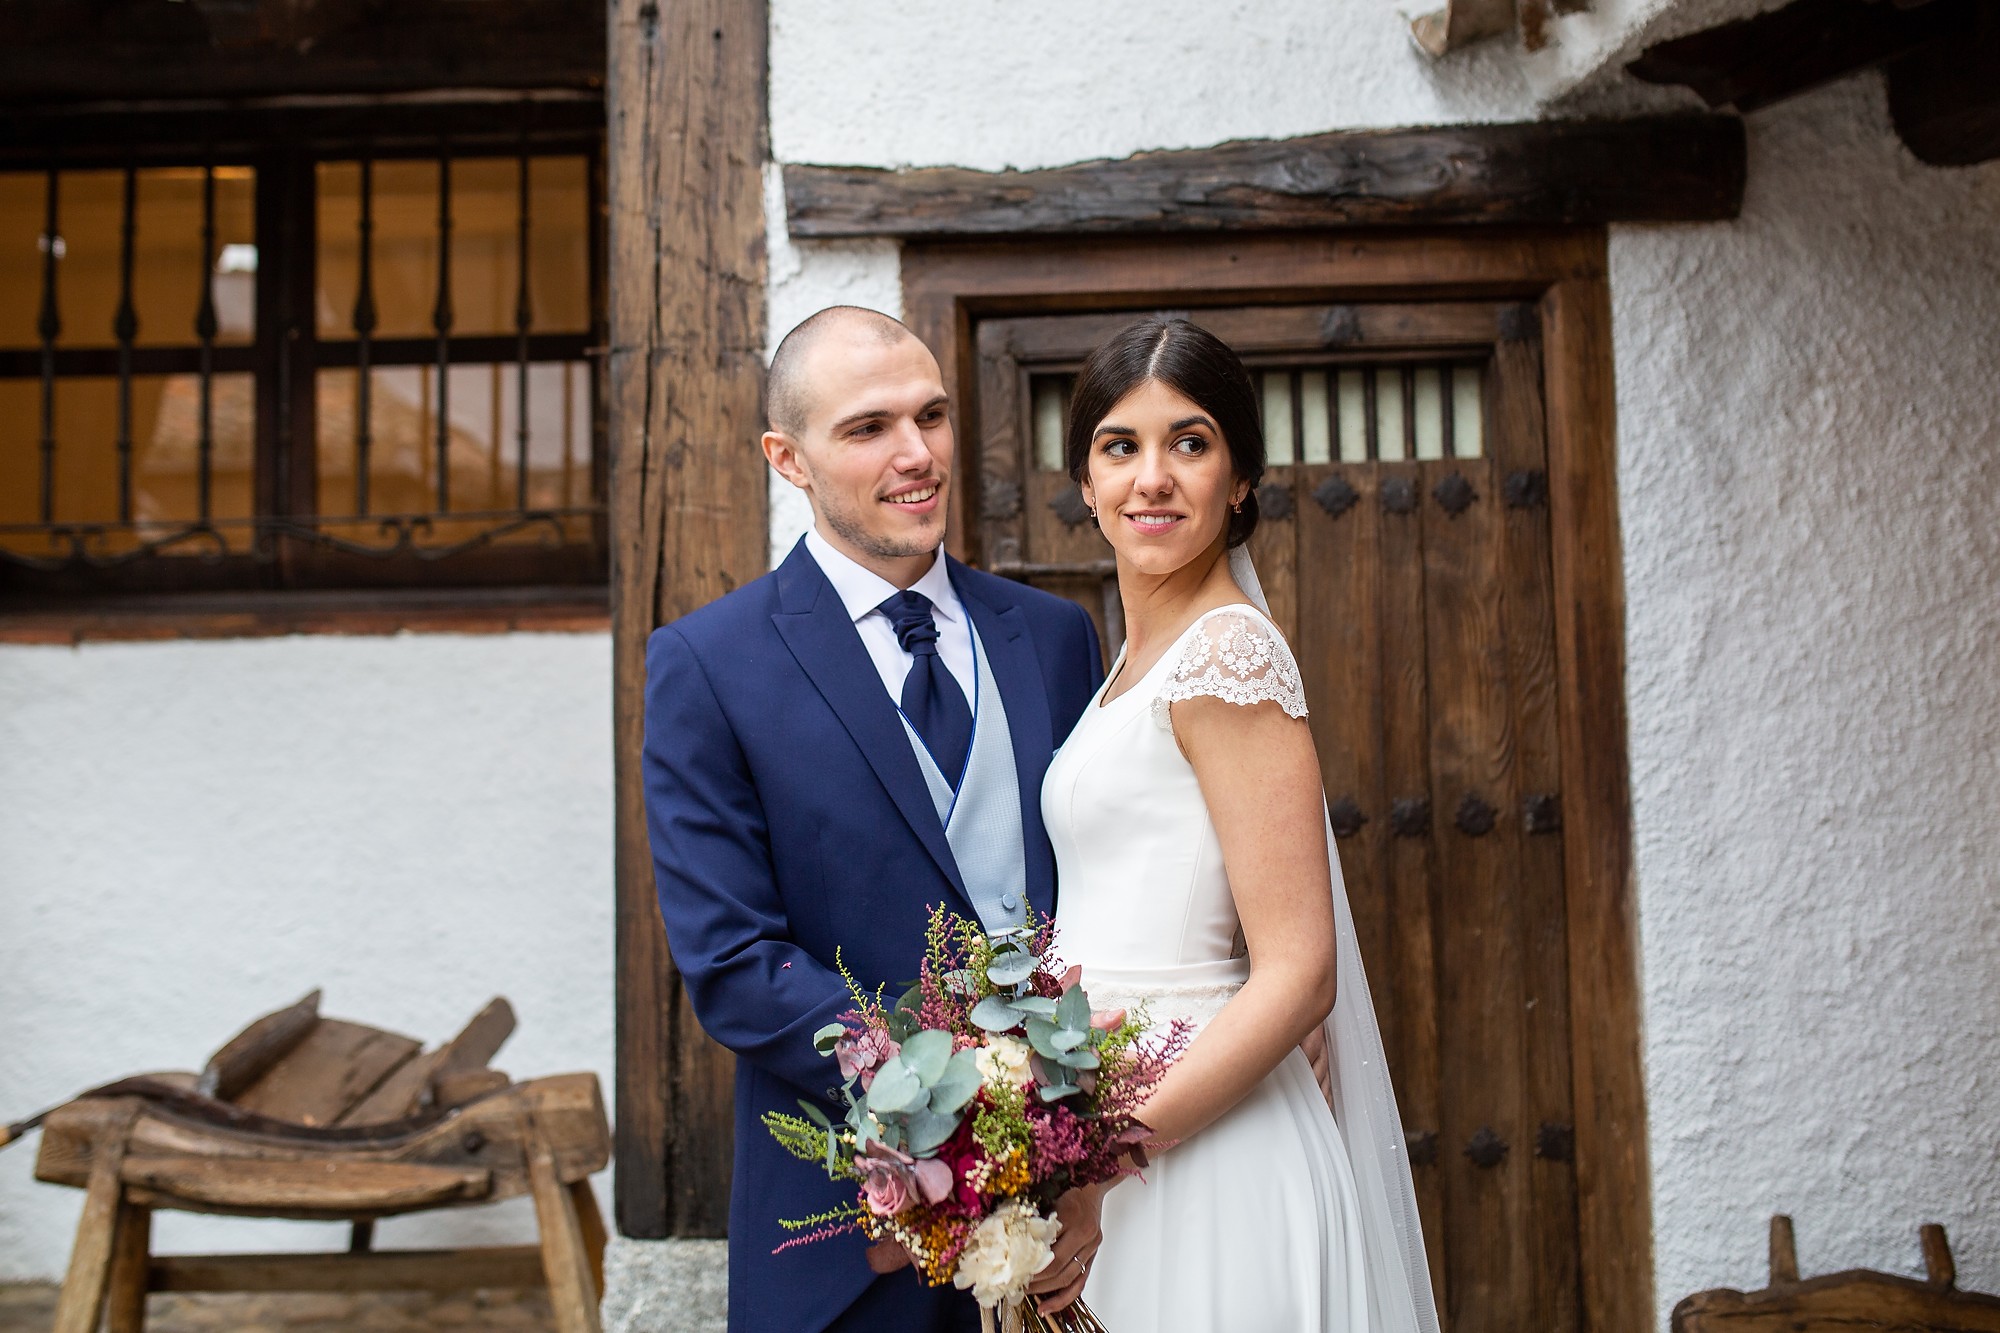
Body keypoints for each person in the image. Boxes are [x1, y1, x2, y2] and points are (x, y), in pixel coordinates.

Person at [642, 306, 1107, 1333]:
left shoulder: (1053, 635)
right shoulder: (709, 665)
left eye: (931, 416)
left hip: (1068, 1221)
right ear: (787, 457)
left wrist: (1071, 1141)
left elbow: (1099, 891)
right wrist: (949, 1101)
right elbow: (731, 959)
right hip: (844, 1243)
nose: (916, 454)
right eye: (867, 428)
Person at [1045, 317, 1440, 1333]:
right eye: (1118, 446)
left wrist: (1102, 1157)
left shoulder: (1225, 657)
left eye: (1189, 442)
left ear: (1239, 480)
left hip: (1200, 1152)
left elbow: (1297, 972)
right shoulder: (1133, 668)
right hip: (1117, 1139)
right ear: (1083, 482)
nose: (1150, 478)